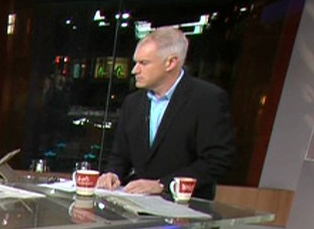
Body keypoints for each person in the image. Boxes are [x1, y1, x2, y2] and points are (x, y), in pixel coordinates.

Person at [97, 27, 234, 200]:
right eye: (136, 62)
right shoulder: (133, 103)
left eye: (144, 63)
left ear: (170, 63)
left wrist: (163, 184)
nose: (134, 70)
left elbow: (217, 160)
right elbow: (119, 155)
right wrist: (112, 174)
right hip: (136, 204)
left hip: (184, 206)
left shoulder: (207, 99)